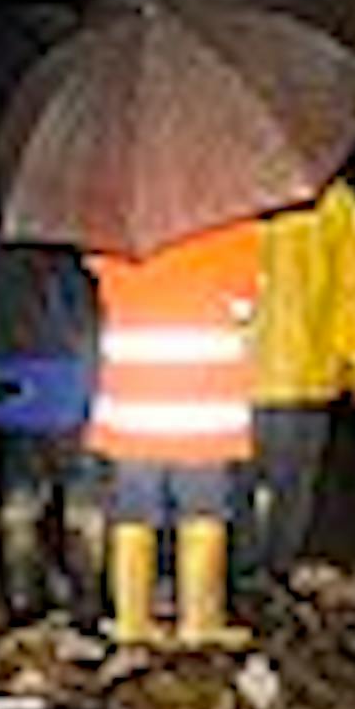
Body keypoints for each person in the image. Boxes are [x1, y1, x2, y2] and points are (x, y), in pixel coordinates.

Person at [86, 217, 261, 648]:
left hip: (133, 403)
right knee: (203, 512)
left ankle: (131, 622)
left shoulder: (114, 229)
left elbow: (104, 291)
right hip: (201, 405)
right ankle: (198, 624)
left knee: (132, 512)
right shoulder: (234, 228)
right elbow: (244, 309)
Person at [0, 198, 105, 627]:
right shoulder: (67, 256)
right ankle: (86, 605)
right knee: (83, 503)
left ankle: (23, 599)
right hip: (66, 390)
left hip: (10, 389)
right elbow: (84, 327)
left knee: (21, 499)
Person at [243, 179, 355, 584]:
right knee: (289, 486)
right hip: (304, 372)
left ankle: (240, 579)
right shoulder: (336, 202)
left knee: (236, 486)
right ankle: (273, 575)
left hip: (233, 372)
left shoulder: (228, 197)